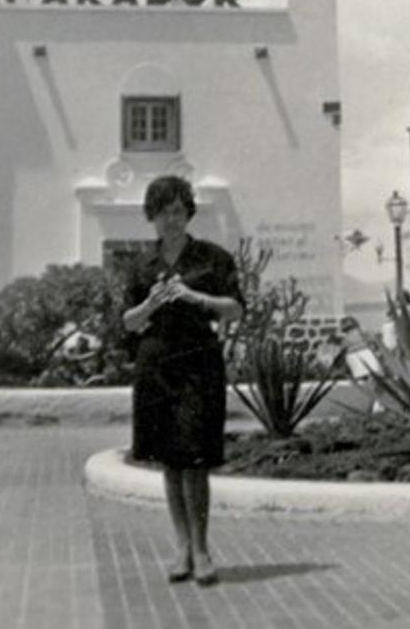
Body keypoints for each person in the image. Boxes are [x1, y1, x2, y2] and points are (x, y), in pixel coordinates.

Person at [122, 175, 244, 585]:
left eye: (177, 211)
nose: (170, 220)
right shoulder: (141, 266)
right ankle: (182, 549)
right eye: (162, 212)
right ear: (151, 216)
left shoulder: (211, 259)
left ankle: (203, 549)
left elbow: (235, 309)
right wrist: (150, 304)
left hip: (198, 366)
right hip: (156, 368)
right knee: (170, 463)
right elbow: (127, 323)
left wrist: (195, 298)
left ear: (188, 212)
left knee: (196, 460)